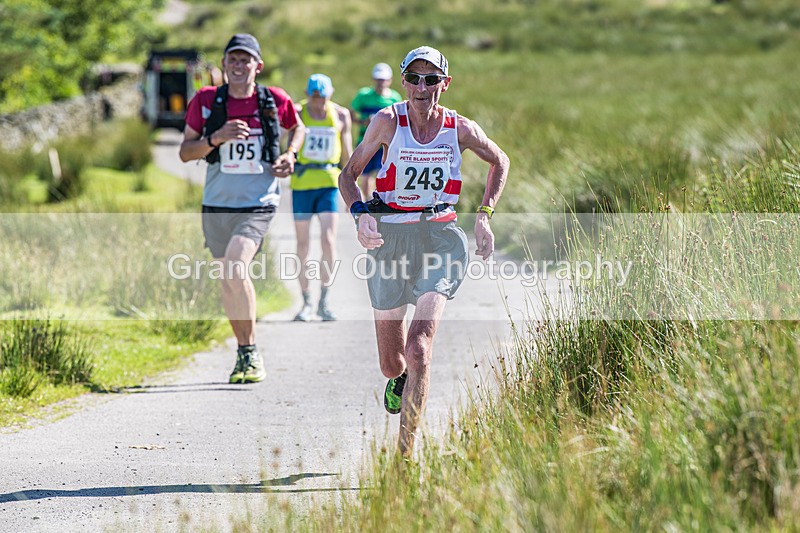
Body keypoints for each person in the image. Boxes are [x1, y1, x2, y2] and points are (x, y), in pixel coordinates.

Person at [338, 46, 509, 456]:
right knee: (392, 363)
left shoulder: (460, 128)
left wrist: (484, 215)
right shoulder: (385, 121)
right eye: (414, 77)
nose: (422, 86)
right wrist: (360, 214)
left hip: (441, 237)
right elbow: (348, 175)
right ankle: (400, 379)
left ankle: (405, 458)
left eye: (431, 79)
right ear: (403, 82)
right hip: (391, 238)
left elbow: (499, 160)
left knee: (419, 347)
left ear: (444, 85)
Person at [179, 33, 305, 384]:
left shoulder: (273, 99)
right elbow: (185, 152)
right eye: (232, 59)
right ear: (223, 64)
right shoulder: (206, 101)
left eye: (245, 59)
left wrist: (289, 156)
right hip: (216, 204)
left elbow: (298, 128)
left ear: (257, 66)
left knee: (236, 266)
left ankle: (251, 353)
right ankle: (243, 352)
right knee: (228, 279)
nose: (238, 65)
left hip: (258, 203)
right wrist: (215, 138)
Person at [291, 74, 353, 321]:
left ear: (330, 94)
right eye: (314, 97)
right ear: (308, 95)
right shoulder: (297, 111)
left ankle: (324, 301)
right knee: (303, 245)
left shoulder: (340, 115)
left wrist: (352, 188)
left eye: (323, 97)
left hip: (328, 183)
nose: (318, 102)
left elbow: (347, 153)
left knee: (328, 241)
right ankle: (305, 301)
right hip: (303, 184)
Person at [350, 63, 402, 200]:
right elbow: (351, 114)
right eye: (379, 79)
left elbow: (400, 120)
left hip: (385, 144)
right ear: (374, 79)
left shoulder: (394, 98)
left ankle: (378, 201)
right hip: (365, 140)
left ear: (390, 80)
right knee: (365, 176)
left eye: (384, 79)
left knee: (381, 174)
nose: (381, 83)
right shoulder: (363, 95)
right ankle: (368, 201)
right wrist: (364, 122)